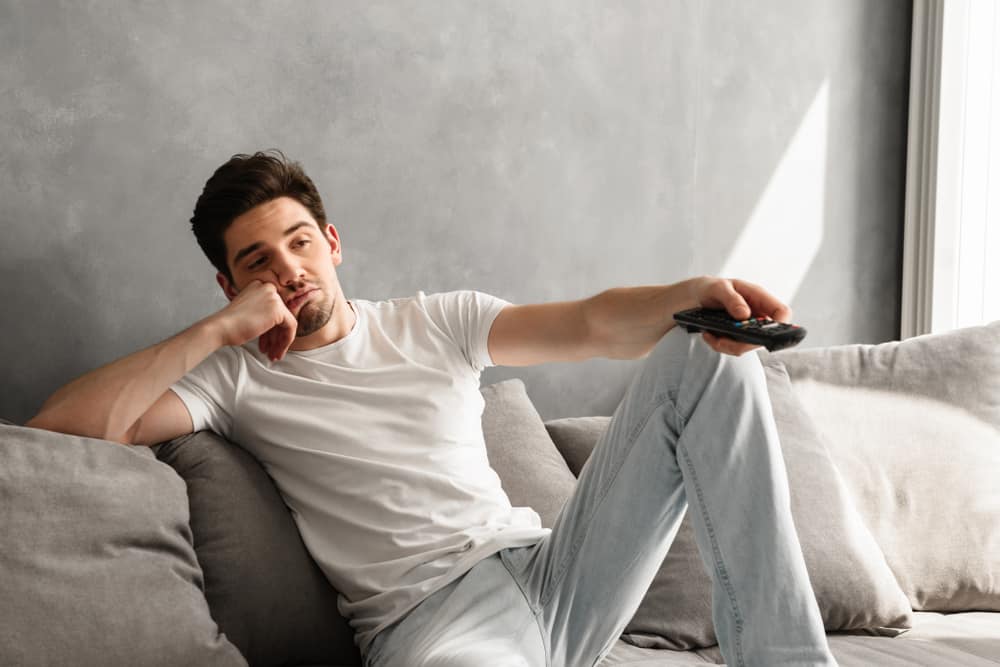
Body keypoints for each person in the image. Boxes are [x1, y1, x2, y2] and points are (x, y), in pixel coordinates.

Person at [27, 150, 837, 667]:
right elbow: (67, 428)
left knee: (709, 355)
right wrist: (216, 331)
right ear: (231, 281)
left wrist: (686, 297)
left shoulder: (433, 320)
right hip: (434, 624)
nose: (290, 268)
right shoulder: (232, 380)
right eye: (259, 261)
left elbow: (588, 323)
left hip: (556, 566)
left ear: (332, 241)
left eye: (300, 241)